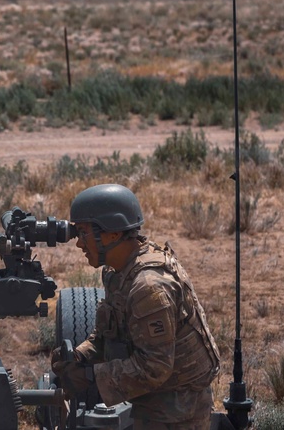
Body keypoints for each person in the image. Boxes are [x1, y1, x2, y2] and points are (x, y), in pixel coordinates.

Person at [51, 183, 220, 430]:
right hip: (150, 398)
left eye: (84, 233)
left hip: (177, 411)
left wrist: (91, 377)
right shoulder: (117, 273)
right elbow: (108, 334)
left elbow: (154, 367)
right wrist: (80, 357)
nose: (79, 244)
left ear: (112, 234)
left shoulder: (148, 288)